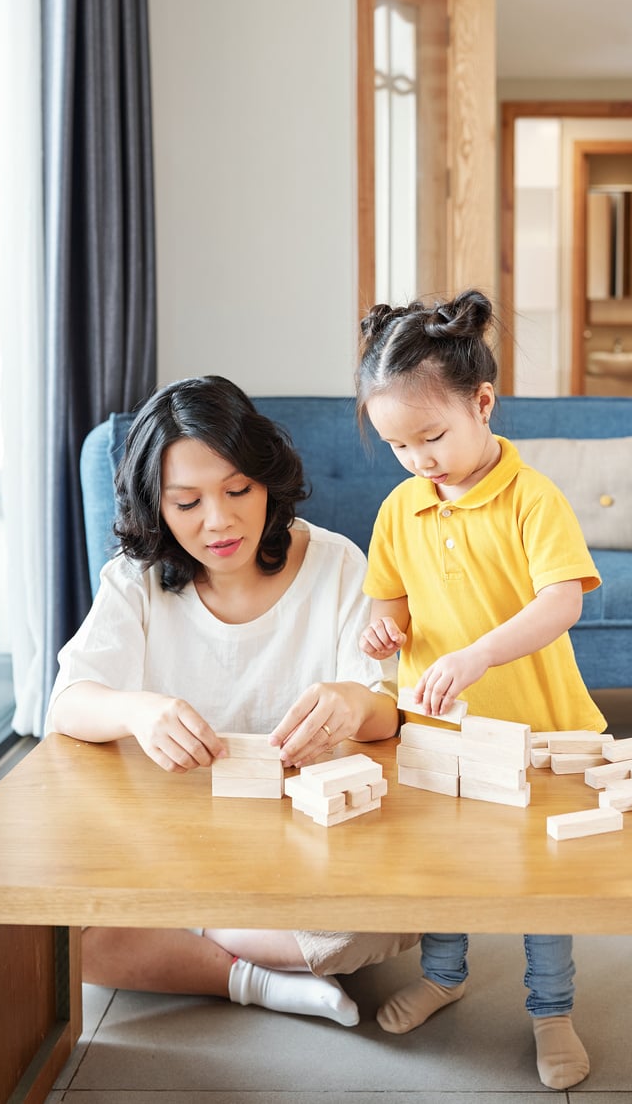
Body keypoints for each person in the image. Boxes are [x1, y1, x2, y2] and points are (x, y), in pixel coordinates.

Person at [47, 374, 419, 1027]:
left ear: (266, 479)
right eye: (185, 503)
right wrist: (138, 710)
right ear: (155, 507)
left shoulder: (336, 565)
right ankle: (257, 981)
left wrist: (352, 703)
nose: (217, 522)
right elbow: (69, 703)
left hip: (311, 843)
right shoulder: (136, 582)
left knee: (397, 921)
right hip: (175, 840)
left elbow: (389, 707)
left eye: (237, 490)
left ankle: (186, 936)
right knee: (49, 935)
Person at [356, 290, 607, 1090]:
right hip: (437, 732)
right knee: (443, 865)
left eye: (432, 436)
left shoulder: (534, 499)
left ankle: (552, 1008)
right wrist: (381, 628)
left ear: (483, 403)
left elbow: (561, 601)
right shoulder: (400, 508)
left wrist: (475, 656)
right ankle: (444, 972)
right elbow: (387, 596)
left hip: (536, 725)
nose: (419, 460)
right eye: (399, 445)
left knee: (543, 880)